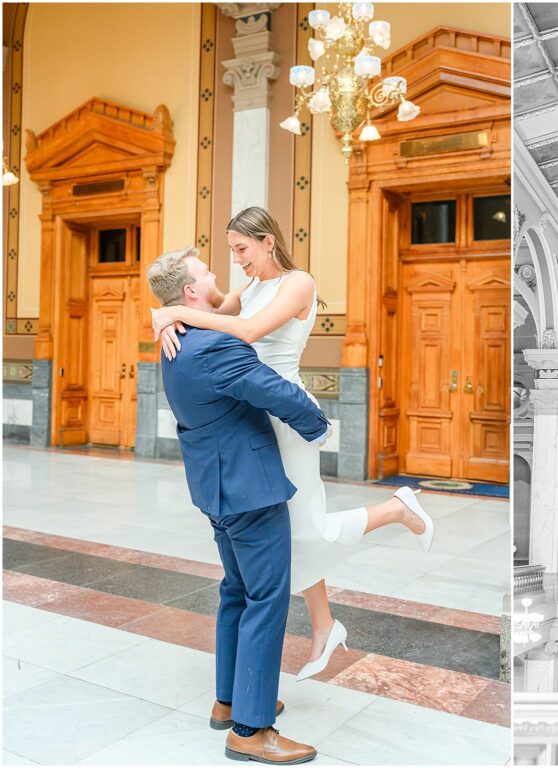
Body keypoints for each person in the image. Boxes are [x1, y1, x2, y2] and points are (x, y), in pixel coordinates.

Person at [150, 208, 433, 682]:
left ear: (267, 241)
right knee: (291, 533)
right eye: (231, 250)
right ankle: (324, 625)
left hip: (285, 408)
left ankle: (397, 509)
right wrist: (166, 317)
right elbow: (204, 309)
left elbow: (246, 331)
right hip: (253, 409)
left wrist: (174, 311)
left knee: (304, 532)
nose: (236, 259)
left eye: (242, 249)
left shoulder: (298, 283)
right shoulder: (249, 286)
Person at [147, 247, 323, 763]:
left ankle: (230, 701)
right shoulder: (214, 346)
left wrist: (167, 314)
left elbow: (232, 306)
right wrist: (318, 427)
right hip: (250, 487)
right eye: (206, 271)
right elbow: (272, 390)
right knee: (267, 599)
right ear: (190, 292)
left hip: (214, 486)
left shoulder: (175, 340)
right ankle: (250, 729)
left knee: (237, 592)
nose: (217, 272)